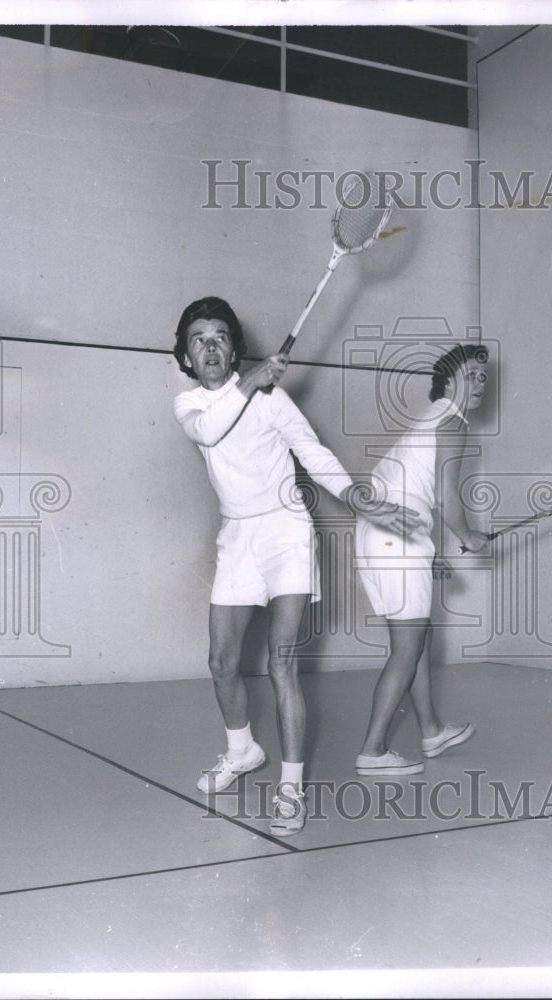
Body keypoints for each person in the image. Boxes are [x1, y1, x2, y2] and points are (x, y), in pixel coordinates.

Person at [172, 296, 420, 836]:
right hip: (237, 537)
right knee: (221, 661)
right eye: (199, 339)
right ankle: (242, 752)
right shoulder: (190, 406)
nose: (211, 346)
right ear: (187, 358)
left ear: (234, 347)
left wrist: (358, 498)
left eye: (220, 336)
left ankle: (289, 788)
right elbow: (209, 430)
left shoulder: (272, 400)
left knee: (282, 662)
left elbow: (313, 453)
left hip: (286, 531)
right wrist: (252, 378)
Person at [353, 343, 491, 776]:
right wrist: (470, 536)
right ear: (449, 381)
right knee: (407, 649)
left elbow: (404, 487)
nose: (481, 383)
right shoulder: (451, 421)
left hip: (384, 533)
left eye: (485, 376)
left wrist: (425, 553)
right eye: (472, 374)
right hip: (398, 537)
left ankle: (431, 729)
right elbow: (445, 498)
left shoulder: (426, 421)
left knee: (420, 635)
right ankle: (373, 751)